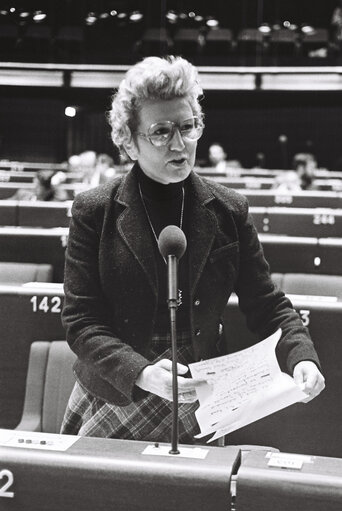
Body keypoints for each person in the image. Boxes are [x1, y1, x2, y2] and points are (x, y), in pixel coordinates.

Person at [60, 55, 324, 444]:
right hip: (120, 386)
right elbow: (81, 321)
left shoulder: (229, 209)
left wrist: (300, 354)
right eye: (161, 132)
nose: (180, 144)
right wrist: (141, 372)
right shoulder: (93, 210)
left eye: (188, 127)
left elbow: (267, 303)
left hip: (199, 386)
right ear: (129, 143)